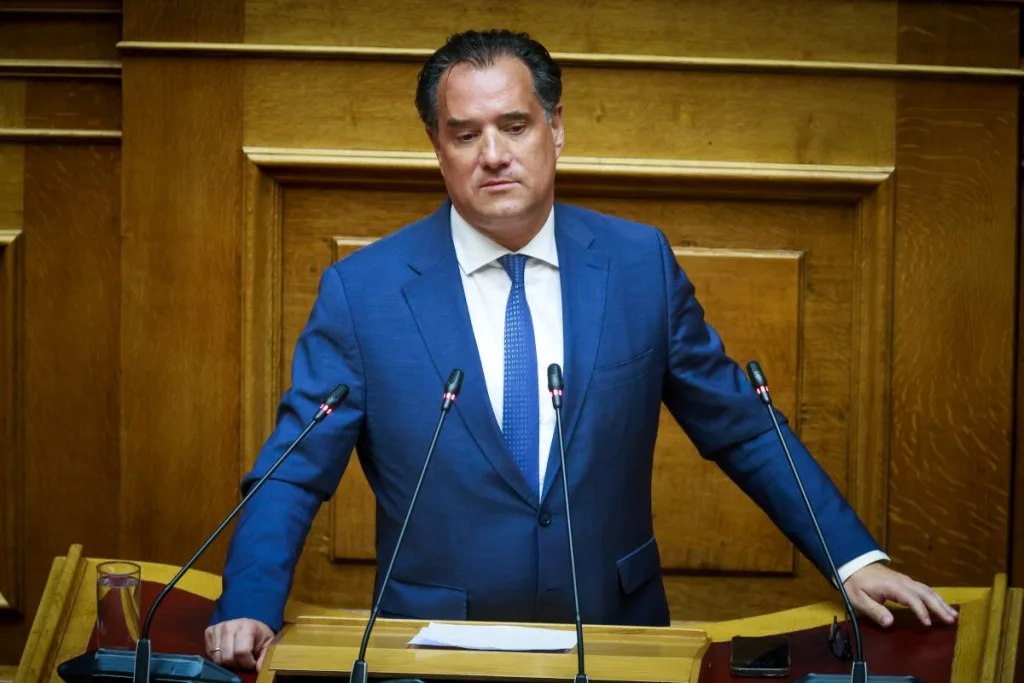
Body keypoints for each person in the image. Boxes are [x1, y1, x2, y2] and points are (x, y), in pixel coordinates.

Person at [205, 29, 957, 671]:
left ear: (555, 128)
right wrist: (249, 603)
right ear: (438, 147)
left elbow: (741, 426)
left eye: (515, 125)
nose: (493, 154)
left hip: (615, 637)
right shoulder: (363, 291)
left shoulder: (638, 265)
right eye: (465, 134)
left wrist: (852, 558)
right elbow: (293, 467)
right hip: (433, 649)